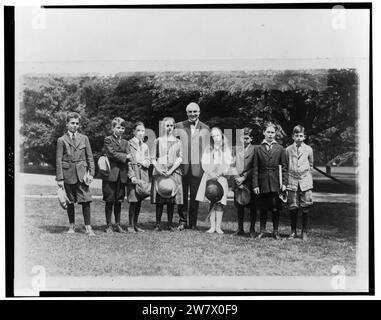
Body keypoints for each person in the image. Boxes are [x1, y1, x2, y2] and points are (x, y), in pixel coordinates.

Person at [56, 112, 95, 236]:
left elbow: (90, 157)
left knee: (86, 200)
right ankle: (72, 225)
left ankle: (88, 227)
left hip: (82, 174)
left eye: (77, 123)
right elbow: (58, 160)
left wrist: (91, 173)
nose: (75, 126)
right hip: (68, 174)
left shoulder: (84, 138)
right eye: (72, 123)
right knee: (70, 201)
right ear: (67, 124)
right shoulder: (61, 140)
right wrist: (60, 178)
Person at [176, 102, 210, 230]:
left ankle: (193, 223)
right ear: (187, 113)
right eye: (190, 112)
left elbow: (207, 149)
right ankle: (182, 221)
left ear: (199, 112)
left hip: (198, 168)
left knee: (196, 196)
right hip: (182, 167)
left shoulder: (206, 128)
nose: (192, 114)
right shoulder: (179, 126)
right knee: (182, 196)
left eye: (195, 111)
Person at [252, 122, 288, 240]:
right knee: (263, 208)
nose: (271, 134)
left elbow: (284, 168)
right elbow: (255, 168)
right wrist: (255, 184)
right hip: (262, 182)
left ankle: (275, 231)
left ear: (275, 134)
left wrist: (284, 183)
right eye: (268, 132)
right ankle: (262, 230)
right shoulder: (258, 148)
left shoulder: (280, 148)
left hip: (275, 182)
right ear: (264, 133)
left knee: (275, 207)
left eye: (273, 132)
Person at [102, 117, 136, 233]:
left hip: (122, 175)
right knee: (109, 200)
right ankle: (108, 225)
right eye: (118, 127)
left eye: (122, 128)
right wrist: (124, 156)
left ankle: (117, 224)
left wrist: (125, 156)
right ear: (113, 128)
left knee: (119, 200)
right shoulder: (108, 140)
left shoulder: (126, 142)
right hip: (110, 175)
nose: (120, 130)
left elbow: (129, 156)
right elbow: (111, 154)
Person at [196, 127, 232, 234]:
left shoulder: (226, 148)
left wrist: (219, 173)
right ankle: (212, 227)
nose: (216, 137)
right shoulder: (208, 148)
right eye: (214, 136)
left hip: (221, 177)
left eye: (218, 135)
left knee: (219, 202)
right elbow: (204, 163)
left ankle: (218, 227)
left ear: (221, 135)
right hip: (209, 176)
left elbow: (228, 163)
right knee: (211, 198)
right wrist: (211, 173)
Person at [151, 117, 183, 231]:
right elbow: (153, 158)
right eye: (166, 125)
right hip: (160, 173)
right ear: (163, 127)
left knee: (171, 200)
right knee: (160, 200)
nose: (169, 128)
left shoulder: (178, 142)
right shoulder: (157, 141)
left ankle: (169, 223)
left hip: (173, 173)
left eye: (171, 125)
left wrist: (171, 170)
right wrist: (159, 169)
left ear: (174, 126)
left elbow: (180, 158)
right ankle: (158, 224)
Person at [285, 125, 314, 241]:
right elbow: (286, 165)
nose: (299, 138)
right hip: (292, 180)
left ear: (304, 137)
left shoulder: (309, 149)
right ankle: (293, 231)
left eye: (301, 136)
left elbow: (311, 165)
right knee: (293, 206)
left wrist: (305, 174)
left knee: (305, 205)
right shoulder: (287, 149)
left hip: (305, 180)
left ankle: (304, 231)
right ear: (293, 136)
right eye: (296, 135)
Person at [231, 127, 257, 237]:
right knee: (239, 205)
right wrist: (237, 178)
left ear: (251, 138)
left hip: (249, 181)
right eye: (242, 138)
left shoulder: (255, 149)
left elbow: (255, 167)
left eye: (246, 138)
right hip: (237, 181)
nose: (244, 140)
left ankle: (252, 230)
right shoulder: (235, 149)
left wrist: (244, 177)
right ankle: (240, 229)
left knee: (252, 206)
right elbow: (231, 164)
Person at [127, 122, 151, 233]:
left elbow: (149, 159)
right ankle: (130, 225)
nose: (140, 133)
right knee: (133, 200)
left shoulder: (145, 145)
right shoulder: (129, 144)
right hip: (134, 173)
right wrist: (131, 175)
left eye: (142, 131)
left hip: (143, 174)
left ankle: (136, 224)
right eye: (138, 131)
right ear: (134, 131)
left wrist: (146, 162)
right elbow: (127, 162)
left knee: (139, 199)